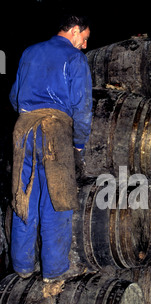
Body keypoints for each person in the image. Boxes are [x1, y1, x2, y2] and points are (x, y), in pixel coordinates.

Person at [9, 15, 93, 283]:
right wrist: (79, 142)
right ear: (75, 31)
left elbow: (14, 96)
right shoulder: (75, 58)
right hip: (55, 132)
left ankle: (22, 267)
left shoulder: (29, 51)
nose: (85, 45)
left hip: (23, 131)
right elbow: (82, 107)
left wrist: (28, 115)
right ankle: (54, 272)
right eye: (85, 38)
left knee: (24, 197)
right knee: (58, 202)